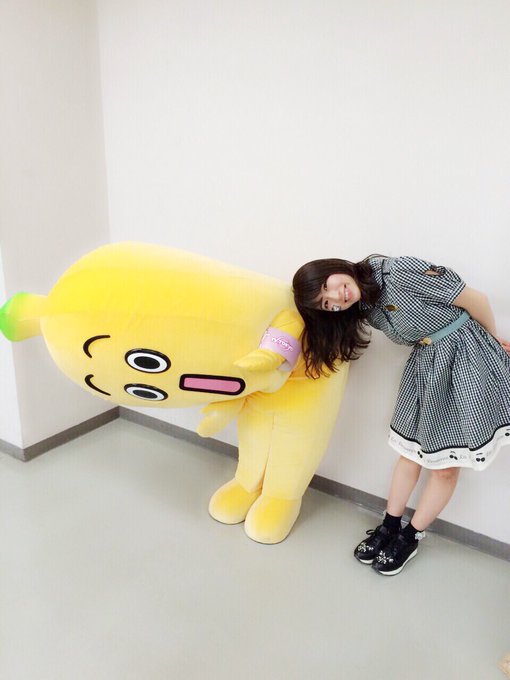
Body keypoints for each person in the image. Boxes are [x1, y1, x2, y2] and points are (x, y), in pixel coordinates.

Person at [292, 255, 510, 575]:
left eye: (328, 285)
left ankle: (411, 537)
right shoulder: (364, 305)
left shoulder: (398, 272)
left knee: (446, 465)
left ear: (335, 268)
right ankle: (389, 526)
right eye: (326, 303)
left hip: (467, 357)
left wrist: (491, 342)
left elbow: (477, 300)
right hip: (427, 363)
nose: (337, 297)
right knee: (410, 453)